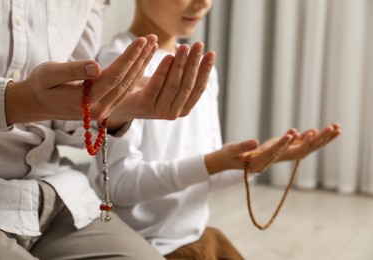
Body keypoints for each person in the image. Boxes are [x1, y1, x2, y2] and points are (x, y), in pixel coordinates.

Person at [89, 0, 342, 259]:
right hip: (146, 247)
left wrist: (250, 163)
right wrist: (213, 163)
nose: (203, 4)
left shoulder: (203, 72)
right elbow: (119, 186)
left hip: (197, 238)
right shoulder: (117, 65)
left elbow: (206, 173)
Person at [0, 1, 216, 259]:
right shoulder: (116, 51)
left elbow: (73, 108)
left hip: (58, 194)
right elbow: (123, 183)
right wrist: (19, 101)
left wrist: (113, 111)